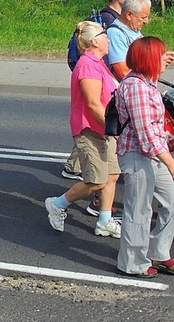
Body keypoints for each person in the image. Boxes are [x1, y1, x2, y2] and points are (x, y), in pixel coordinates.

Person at [115, 36, 174, 278]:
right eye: (161, 54)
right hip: (137, 154)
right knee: (138, 210)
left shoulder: (146, 81)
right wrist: (171, 162)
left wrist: (160, 60)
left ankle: (158, 250)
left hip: (154, 154)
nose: (166, 58)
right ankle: (133, 263)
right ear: (148, 59)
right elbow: (145, 132)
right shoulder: (135, 87)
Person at [44, 21, 121, 238]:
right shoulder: (87, 65)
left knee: (112, 175)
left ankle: (104, 221)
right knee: (96, 181)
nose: (108, 39)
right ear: (95, 41)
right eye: (105, 35)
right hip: (91, 130)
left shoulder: (99, 62)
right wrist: (112, 128)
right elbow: (93, 103)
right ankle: (57, 204)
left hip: (105, 129)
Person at [61, 0, 139, 181]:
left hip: (104, 76)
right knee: (94, 124)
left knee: (92, 129)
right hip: (103, 76)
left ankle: (75, 166)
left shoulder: (114, 18)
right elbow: (107, 57)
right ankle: (75, 183)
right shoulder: (108, 20)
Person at [106, 0, 152, 81]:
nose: (146, 21)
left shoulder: (133, 30)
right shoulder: (115, 34)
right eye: (143, 17)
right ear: (129, 15)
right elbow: (124, 73)